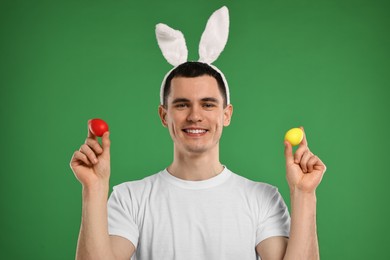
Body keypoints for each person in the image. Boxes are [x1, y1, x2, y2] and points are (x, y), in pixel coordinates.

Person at [70, 7, 326, 260]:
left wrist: (304, 194)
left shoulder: (262, 199)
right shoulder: (130, 198)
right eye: (182, 104)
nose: (195, 115)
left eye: (208, 104)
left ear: (226, 114)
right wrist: (94, 188)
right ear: (164, 115)